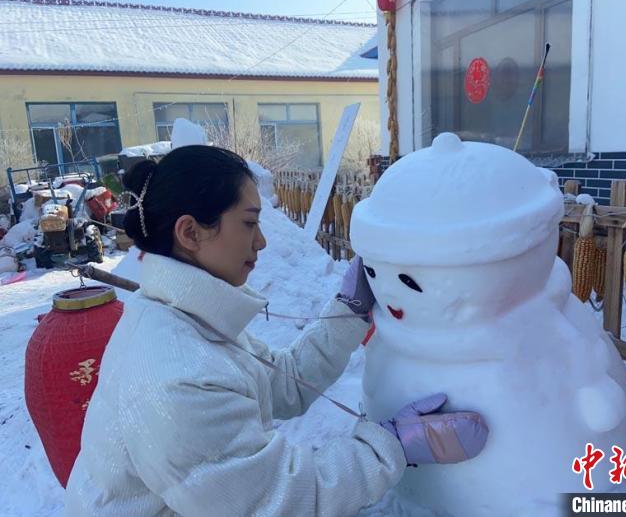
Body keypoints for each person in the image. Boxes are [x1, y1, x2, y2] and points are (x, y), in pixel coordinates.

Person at [65, 145, 488, 516]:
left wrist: (349, 311)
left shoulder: (185, 320)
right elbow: (278, 502)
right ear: (191, 233)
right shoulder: (178, 377)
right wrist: (392, 445)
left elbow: (283, 384)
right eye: (249, 223)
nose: (262, 241)